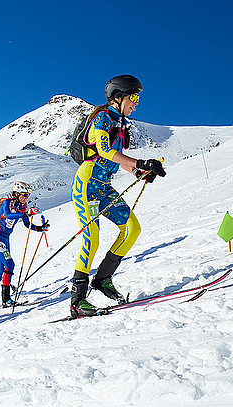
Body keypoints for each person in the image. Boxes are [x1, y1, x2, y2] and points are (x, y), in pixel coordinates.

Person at [70, 74, 166, 317]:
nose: (136, 102)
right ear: (118, 96)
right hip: (86, 186)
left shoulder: (120, 125)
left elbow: (114, 158)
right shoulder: (102, 118)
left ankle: (102, 279)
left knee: (132, 229)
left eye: (137, 98)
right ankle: (77, 301)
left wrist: (137, 171)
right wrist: (141, 161)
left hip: (104, 188)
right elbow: (103, 150)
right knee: (91, 238)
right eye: (133, 97)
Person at [0, 182, 49, 308]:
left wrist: (39, 228)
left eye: (28, 195)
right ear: (16, 193)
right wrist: (26, 213)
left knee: (1, 273)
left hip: (5, 239)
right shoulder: (7, 203)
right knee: (10, 264)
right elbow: (8, 214)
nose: (26, 197)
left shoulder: (23, 206)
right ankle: (6, 299)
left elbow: (26, 224)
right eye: (24, 195)